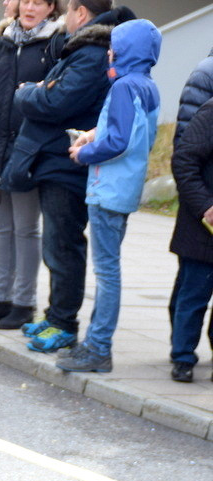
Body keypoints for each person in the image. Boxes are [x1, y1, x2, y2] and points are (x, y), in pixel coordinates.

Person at [7, 0, 136, 353]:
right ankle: (54, 317)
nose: (64, 19)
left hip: (66, 164)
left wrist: (27, 93)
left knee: (63, 246)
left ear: (80, 13)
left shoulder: (92, 53)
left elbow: (56, 102)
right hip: (58, 160)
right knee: (56, 244)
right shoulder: (87, 49)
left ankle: (63, 323)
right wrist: (41, 90)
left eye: (67, 12)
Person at [56, 19, 160, 373]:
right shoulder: (144, 85)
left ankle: (98, 347)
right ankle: (95, 344)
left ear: (127, 50)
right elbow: (128, 129)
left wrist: (83, 153)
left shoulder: (122, 86)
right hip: (124, 187)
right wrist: (91, 134)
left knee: (107, 272)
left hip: (108, 189)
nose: (110, 51)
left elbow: (119, 141)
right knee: (108, 270)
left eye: (115, 45)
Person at [0, 0, 63, 328]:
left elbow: (53, 97)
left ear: (51, 8)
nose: (30, 7)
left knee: (26, 229)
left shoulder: (54, 44)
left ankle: (24, 303)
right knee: (1, 228)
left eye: (39, 2)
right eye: (26, 1)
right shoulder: (0, 41)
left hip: (27, 150)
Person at [167, 46, 213, 357]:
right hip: (203, 223)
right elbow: (184, 160)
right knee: (193, 293)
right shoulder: (211, 111)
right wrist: (206, 207)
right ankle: (182, 355)